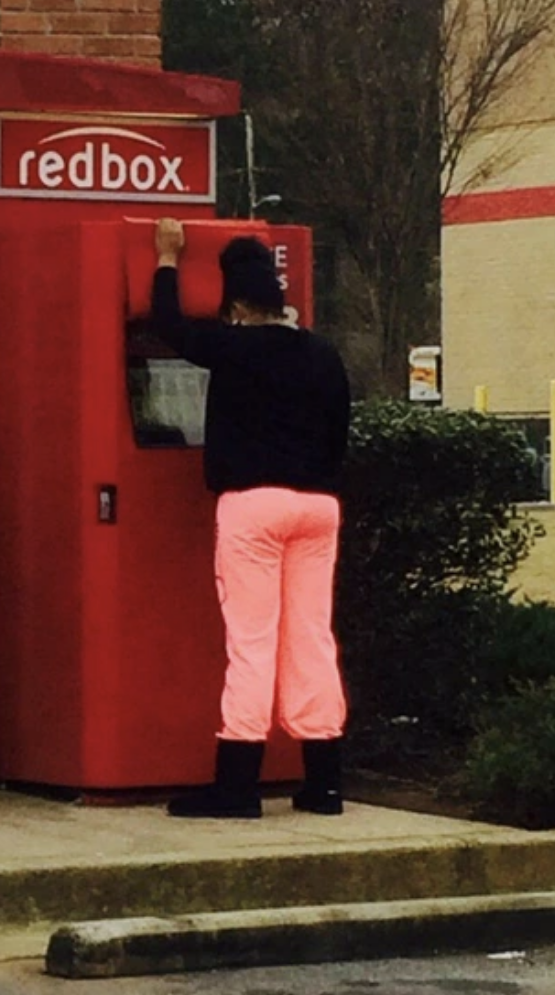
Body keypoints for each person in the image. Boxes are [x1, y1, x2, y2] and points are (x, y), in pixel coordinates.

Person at [150, 219, 351, 819]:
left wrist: (166, 259)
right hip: (319, 507)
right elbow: (341, 432)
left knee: (253, 642)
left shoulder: (233, 345)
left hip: (254, 506)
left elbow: (169, 328)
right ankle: (325, 785)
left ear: (236, 302)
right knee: (312, 639)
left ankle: (237, 786)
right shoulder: (322, 354)